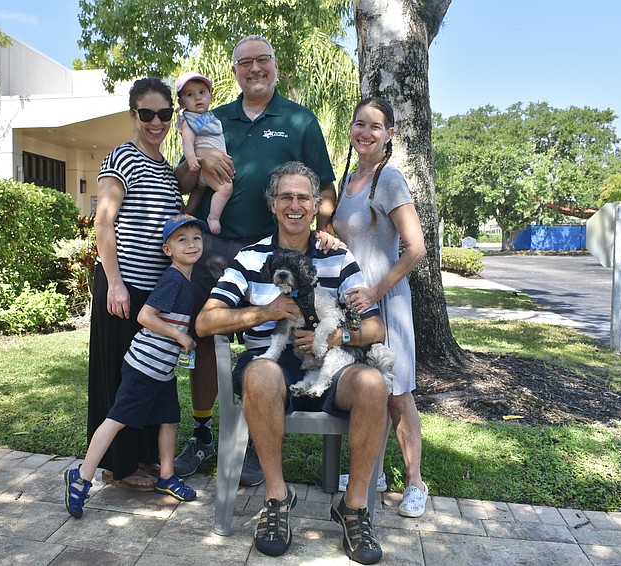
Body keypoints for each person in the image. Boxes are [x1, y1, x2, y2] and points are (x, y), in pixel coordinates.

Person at [196, 162, 388, 564]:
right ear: (272, 203)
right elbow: (206, 320)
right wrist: (264, 312)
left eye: (303, 197)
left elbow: (375, 329)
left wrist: (336, 337)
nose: (294, 205)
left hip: (331, 363)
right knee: (262, 374)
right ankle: (277, 500)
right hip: (271, 362)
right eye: (286, 196)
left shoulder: (337, 257)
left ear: (317, 205)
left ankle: (353, 509)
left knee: (372, 384)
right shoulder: (250, 258)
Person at [173, 35, 338, 485]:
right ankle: (205, 431)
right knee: (208, 335)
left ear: (275, 65)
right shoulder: (213, 116)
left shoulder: (300, 119)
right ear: (234, 72)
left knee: (274, 335)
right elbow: (184, 178)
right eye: (245, 63)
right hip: (219, 245)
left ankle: (251, 440)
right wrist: (198, 165)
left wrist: (323, 228)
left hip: (279, 250)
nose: (255, 69)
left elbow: (323, 189)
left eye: (262, 60)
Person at [65, 215, 207, 518]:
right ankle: (82, 477)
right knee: (117, 419)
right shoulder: (172, 279)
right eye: (182, 240)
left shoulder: (185, 279)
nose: (191, 244)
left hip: (162, 369)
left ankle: (167, 475)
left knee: (169, 418)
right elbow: (145, 317)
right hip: (144, 366)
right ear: (167, 249)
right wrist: (180, 335)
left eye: (196, 238)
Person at [328, 97, 429, 518]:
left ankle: (416, 483)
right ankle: (375, 474)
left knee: (397, 394)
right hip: (354, 306)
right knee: (366, 390)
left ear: (390, 134)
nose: (364, 132)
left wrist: (376, 291)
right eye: (359, 124)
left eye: (375, 126)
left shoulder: (389, 180)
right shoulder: (349, 178)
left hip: (386, 304)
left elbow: (416, 249)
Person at [87, 78, 184, 491]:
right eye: (147, 114)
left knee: (146, 374)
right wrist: (115, 284)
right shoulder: (122, 158)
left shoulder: (164, 166)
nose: (156, 122)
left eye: (164, 114)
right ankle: (117, 465)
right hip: (122, 286)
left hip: (152, 292)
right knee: (119, 377)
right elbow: (103, 222)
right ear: (133, 115)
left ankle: (141, 458)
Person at [175, 71, 232, 235]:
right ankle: (213, 218)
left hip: (208, 170)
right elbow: (187, 142)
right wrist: (192, 157)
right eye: (190, 94)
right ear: (181, 101)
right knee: (225, 188)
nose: (197, 97)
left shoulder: (210, 117)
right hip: (205, 167)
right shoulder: (189, 121)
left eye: (202, 92)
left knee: (198, 191)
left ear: (210, 96)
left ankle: (186, 214)